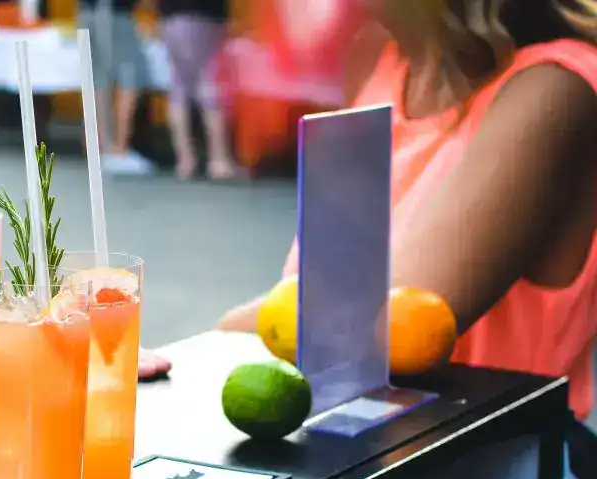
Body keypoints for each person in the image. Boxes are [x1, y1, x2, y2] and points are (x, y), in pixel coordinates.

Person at [217, 0, 597, 418]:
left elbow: (382, 326)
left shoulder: (554, 90)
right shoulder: (379, 58)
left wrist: (212, 339)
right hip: (357, 443)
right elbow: (319, 294)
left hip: (502, 461)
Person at [158, 0, 240, 180]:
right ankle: (218, 160)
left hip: (170, 18)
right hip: (204, 15)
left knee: (178, 87)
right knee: (211, 85)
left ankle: (185, 160)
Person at [79, 0, 157, 176]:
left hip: (87, 11)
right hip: (114, 12)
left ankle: (99, 146)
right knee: (129, 75)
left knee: (97, 79)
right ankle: (119, 149)